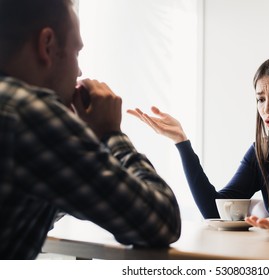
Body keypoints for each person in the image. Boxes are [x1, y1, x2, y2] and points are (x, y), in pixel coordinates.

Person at [0, 0, 181, 259]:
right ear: (47, 45)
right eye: (77, 52)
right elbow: (162, 221)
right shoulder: (29, 112)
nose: (80, 70)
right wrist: (110, 134)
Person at [128, 54, 269, 235]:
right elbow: (215, 209)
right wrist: (182, 142)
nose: (266, 109)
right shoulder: (262, 152)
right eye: (260, 99)